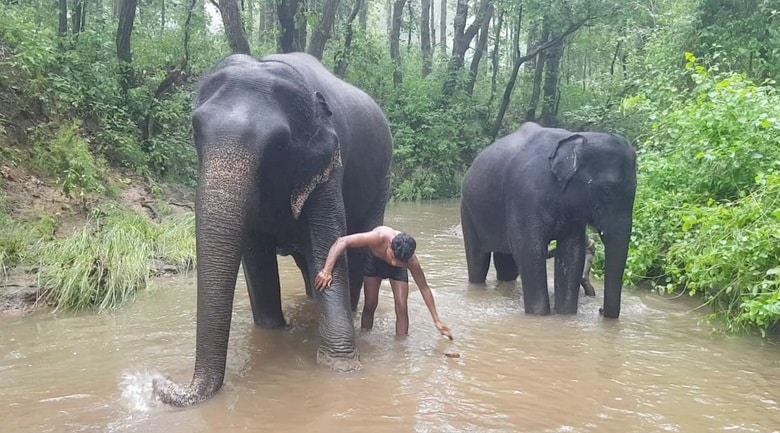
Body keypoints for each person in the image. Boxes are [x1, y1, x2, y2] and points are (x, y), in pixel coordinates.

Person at [314, 226, 453, 339]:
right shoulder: (379, 236)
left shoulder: (410, 261)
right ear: (390, 245)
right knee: (370, 304)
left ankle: (401, 345)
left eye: (400, 262)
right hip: (375, 262)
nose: (394, 262)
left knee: (401, 307)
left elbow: (424, 288)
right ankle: (365, 336)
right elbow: (342, 242)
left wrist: (436, 320)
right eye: (393, 257)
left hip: (397, 272)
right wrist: (327, 270)